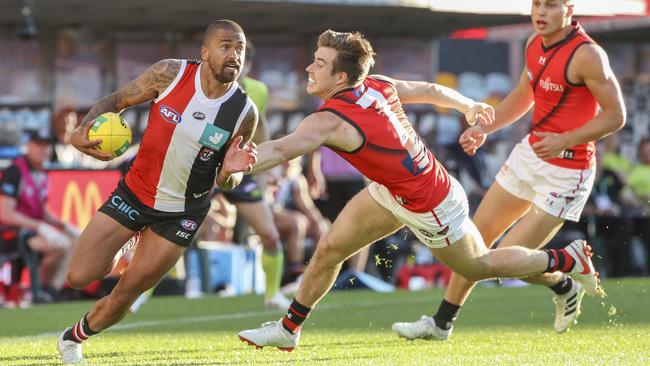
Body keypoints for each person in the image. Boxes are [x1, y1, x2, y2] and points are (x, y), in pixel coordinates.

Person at [237, 29, 600, 352]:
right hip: (393, 190)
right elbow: (428, 90)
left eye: (319, 63)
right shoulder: (376, 83)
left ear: (342, 76)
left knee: (478, 266)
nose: (309, 69)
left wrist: (237, 162)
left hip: (432, 202)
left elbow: (282, 149)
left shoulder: (328, 119)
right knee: (331, 248)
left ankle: (567, 261)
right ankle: (289, 329)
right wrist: (466, 104)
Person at [393, 0, 627, 340]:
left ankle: (564, 269)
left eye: (550, 5)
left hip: (567, 172)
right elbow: (523, 94)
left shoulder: (588, 55)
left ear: (569, 9)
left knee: (509, 263)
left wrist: (566, 139)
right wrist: (486, 128)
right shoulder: (534, 43)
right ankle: (442, 323)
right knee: (474, 242)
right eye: (536, 4)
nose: (541, 12)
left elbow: (616, 115)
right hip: (529, 156)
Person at [56, 19, 258, 364]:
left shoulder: (244, 112)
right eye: (226, 46)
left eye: (239, 48)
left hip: (182, 213)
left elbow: (227, 181)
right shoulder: (170, 74)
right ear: (205, 52)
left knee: (126, 295)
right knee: (78, 277)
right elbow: (115, 101)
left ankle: (74, 339)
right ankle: (127, 242)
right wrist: (83, 131)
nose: (234, 55)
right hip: (134, 194)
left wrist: (229, 174)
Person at [217, 40, 291, 309]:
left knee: (270, 235)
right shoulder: (207, 89)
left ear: (248, 66)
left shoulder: (258, 91)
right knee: (177, 238)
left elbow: (262, 130)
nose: (237, 66)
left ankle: (272, 294)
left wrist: (264, 171)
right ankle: (143, 295)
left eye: (243, 61)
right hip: (204, 170)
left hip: (239, 170)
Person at [0, 130, 77, 304]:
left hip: (31, 231)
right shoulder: (15, 172)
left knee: (72, 240)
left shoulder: (42, 173)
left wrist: (64, 225)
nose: (43, 150)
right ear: (29, 146)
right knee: (58, 247)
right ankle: (39, 289)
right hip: (11, 233)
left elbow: (42, 211)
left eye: (46, 145)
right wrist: (40, 227)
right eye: (38, 145)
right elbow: (6, 213)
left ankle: (50, 290)